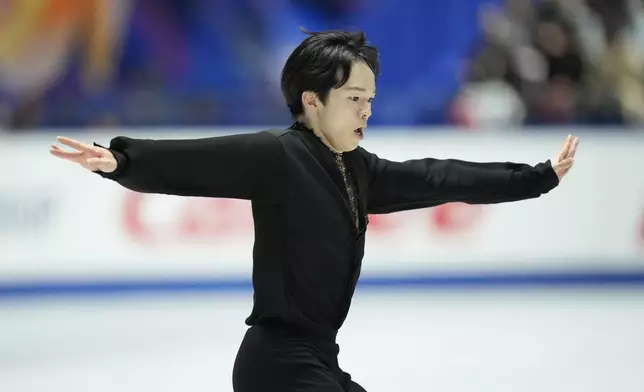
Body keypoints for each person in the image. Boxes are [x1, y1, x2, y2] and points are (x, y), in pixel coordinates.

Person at [49, 29, 579, 392]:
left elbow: (439, 176)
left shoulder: (360, 170)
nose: (367, 110)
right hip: (278, 366)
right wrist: (121, 160)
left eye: (370, 99)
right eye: (354, 98)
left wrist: (536, 177)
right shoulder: (278, 156)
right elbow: (197, 162)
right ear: (312, 99)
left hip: (316, 360)